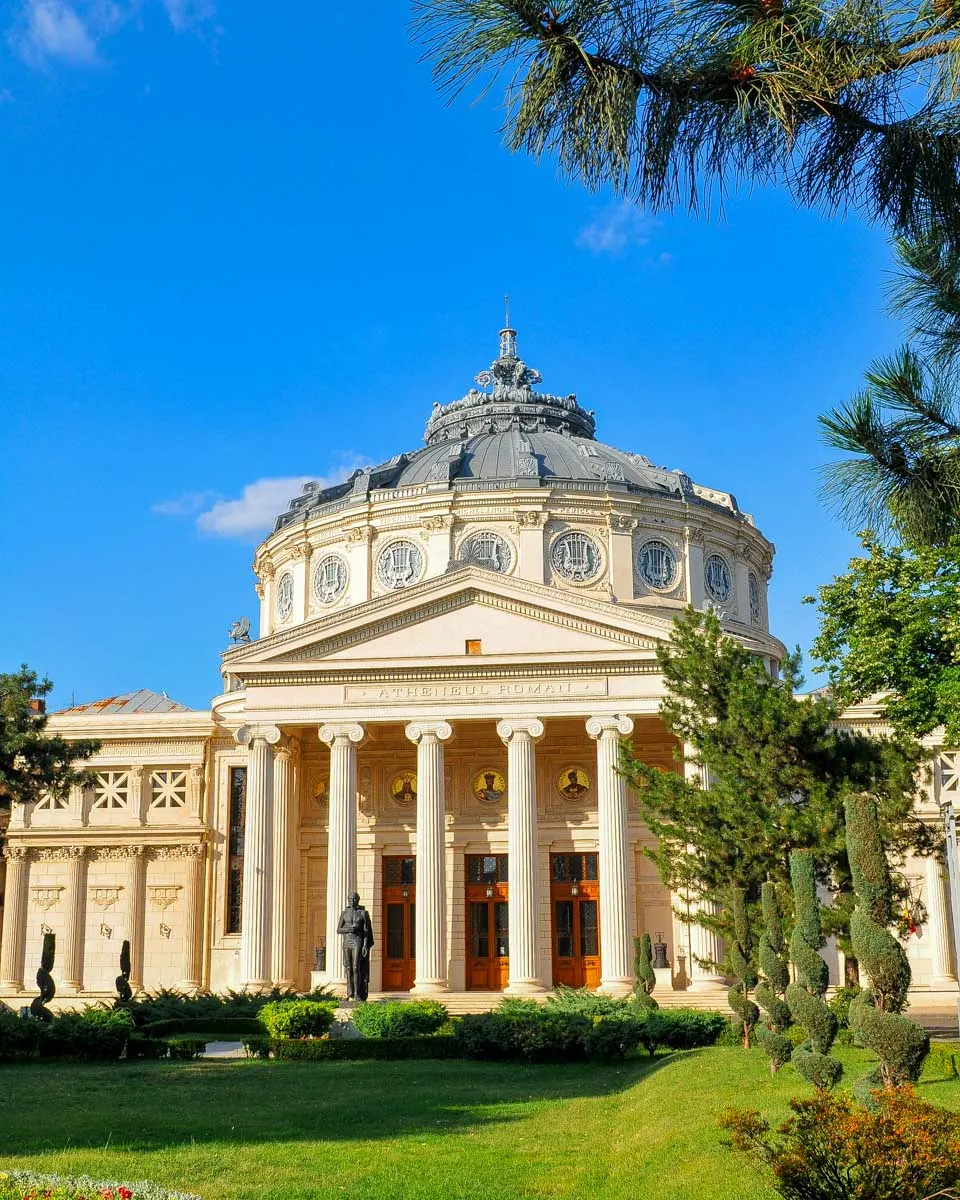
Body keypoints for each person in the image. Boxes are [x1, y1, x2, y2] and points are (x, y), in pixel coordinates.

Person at [336, 892, 374, 1001]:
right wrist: (348, 929)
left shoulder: (363, 913)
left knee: (356, 967)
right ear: (348, 900)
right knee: (348, 968)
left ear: (358, 900)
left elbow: (367, 931)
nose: (352, 901)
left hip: (358, 941)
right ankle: (350, 993)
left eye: (354, 899)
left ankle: (358, 994)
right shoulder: (344, 914)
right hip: (347, 941)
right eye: (351, 899)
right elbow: (339, 930)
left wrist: (365, 945)